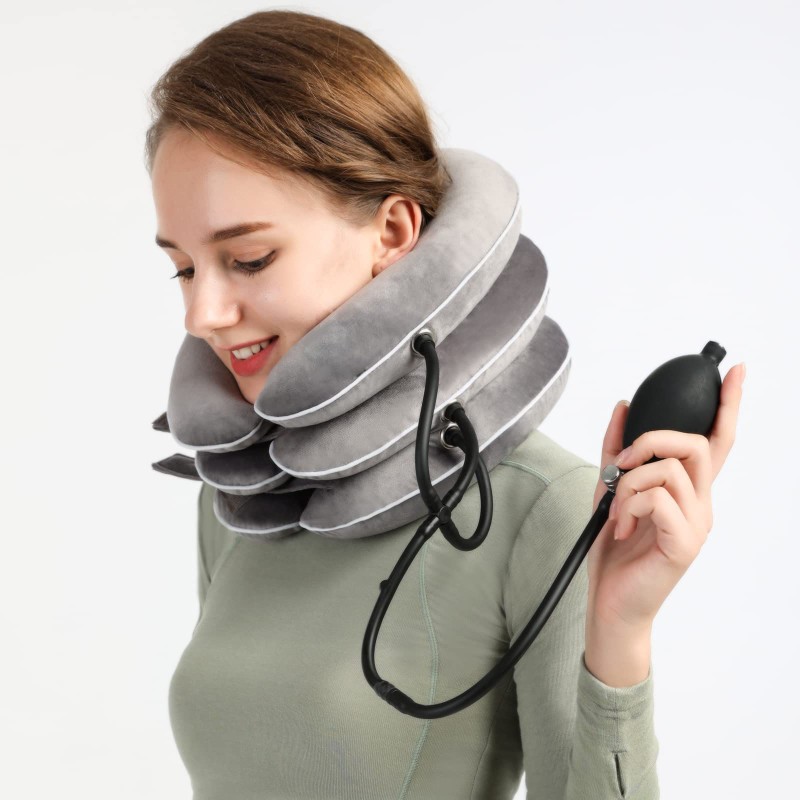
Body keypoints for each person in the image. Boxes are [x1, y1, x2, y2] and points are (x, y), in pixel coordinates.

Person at [145, 10, 745, 799]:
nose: (202, 315)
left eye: (249, 259)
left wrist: (619, 629)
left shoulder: (542, 507)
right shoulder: (246, 492)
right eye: (184, 268)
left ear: (393, 230)